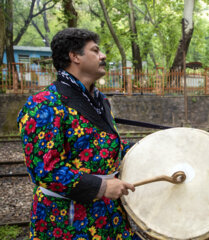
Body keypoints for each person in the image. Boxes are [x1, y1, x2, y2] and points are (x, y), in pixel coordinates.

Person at [17, 28, 140, 240]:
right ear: (75, 56)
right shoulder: (44, 104)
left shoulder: (100, 101)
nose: (103, 56)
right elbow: (45, 170)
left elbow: (105, 147)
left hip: (110, 214)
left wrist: (153, 149)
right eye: (95, 50)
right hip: (68, 221)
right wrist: (101, 186)